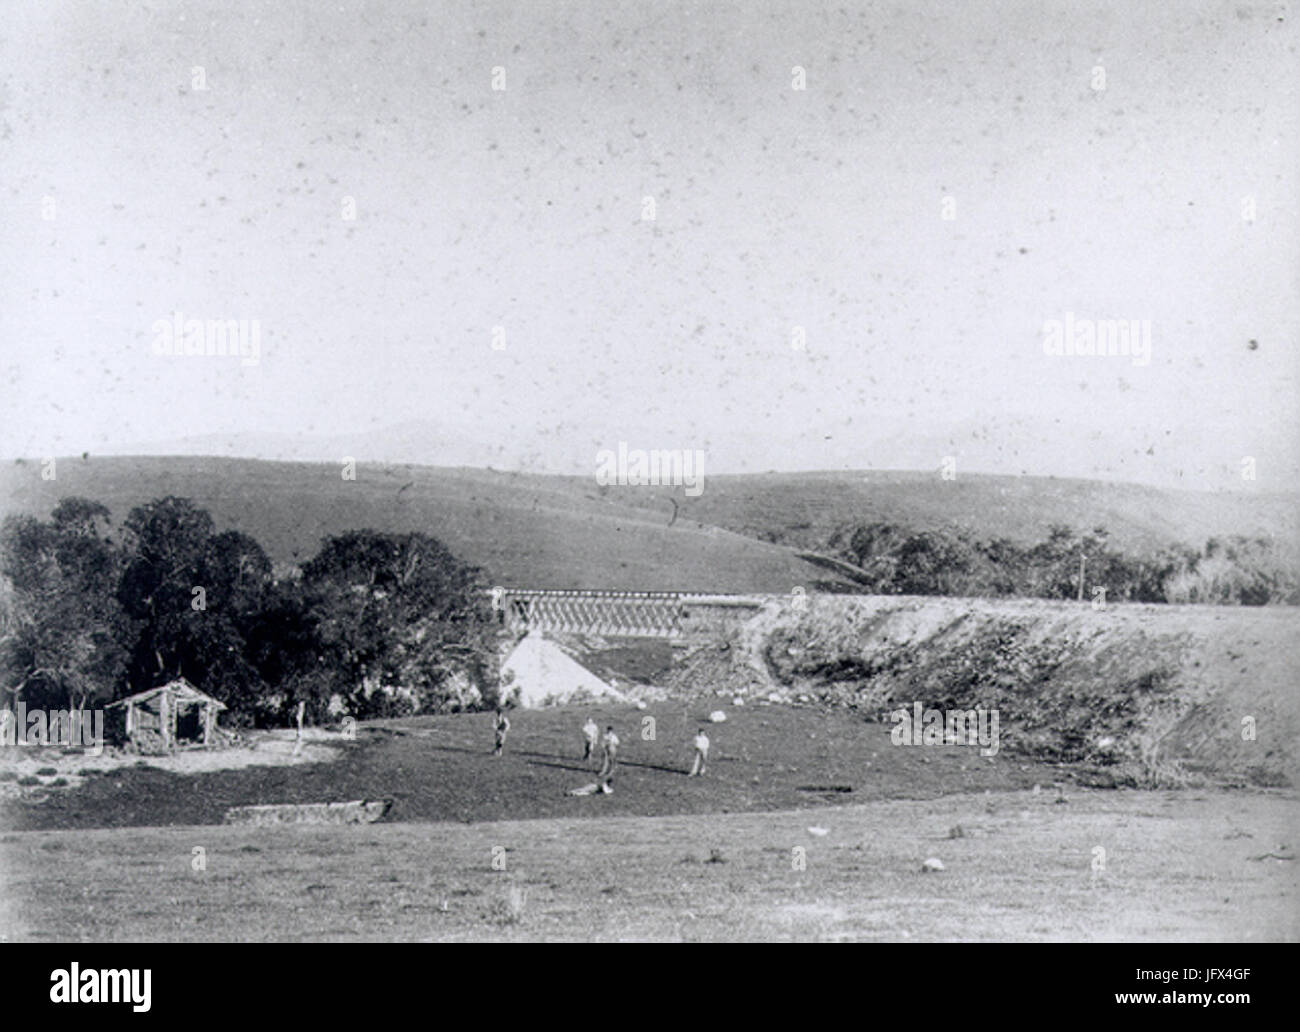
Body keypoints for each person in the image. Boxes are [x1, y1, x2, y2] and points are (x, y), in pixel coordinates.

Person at [598, 725, 620, 792]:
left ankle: (611, 770)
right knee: (605, 760)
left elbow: (617, 743)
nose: (609, 732)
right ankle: (603, 771)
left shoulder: (613, 736)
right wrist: (603, 746)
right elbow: (602, 742)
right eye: (608, 731)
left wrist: (612, 744)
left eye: (610, 731)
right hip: (606, 749)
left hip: (612, 748)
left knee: (611, 760)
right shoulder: (605, 735)